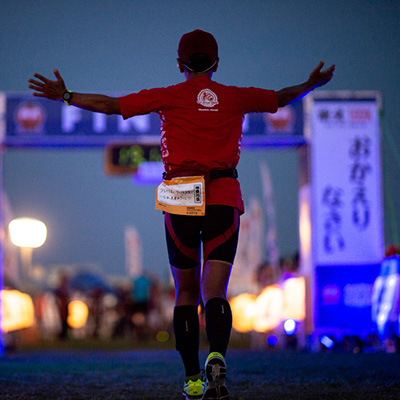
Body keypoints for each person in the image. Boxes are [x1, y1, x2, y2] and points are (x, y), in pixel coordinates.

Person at [28, 29, 334, 400]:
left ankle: (192, 378)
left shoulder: (168, 95)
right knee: (215, 291)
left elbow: (111, 105)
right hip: (223, 195)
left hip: (181, 197)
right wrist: (309, 84)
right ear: (217, 63)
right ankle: (217, 355)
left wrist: (65, 95)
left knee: (185, 293)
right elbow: (281, 98)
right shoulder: (235, 97)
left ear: (179, 64)